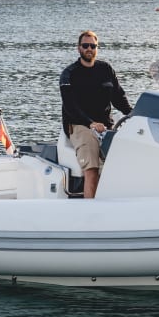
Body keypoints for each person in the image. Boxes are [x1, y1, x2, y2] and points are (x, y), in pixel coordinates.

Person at [59, 30, 133, 198]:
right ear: (79, 48)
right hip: (79, 125)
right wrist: (90, 123)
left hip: (105, 126)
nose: (89, 49)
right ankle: (90, 215)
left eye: (93, 46)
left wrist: (134, 114)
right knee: (92, 169)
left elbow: (119, 98)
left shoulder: (105, 69)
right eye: (85, 46)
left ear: (97, 48)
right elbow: (70, 107)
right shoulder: (69, 74)